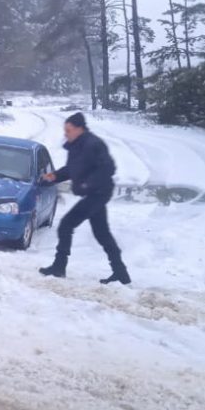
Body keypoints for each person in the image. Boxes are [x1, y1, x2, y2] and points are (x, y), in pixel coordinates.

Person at [39, 112, 131, 285]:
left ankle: (59, 267)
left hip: (98, 193)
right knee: (102, 234)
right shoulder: (76, 146)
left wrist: (88, 184)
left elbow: (108, 168)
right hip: (93, 194)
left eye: (69, 130)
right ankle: (121, 273)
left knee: (66, 225)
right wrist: (54, 176)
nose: (66, 133)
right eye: (65, 130)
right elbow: (71, 169)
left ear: (79, 129)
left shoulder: (93, 144)